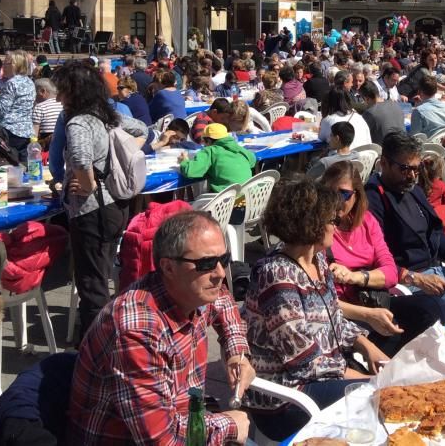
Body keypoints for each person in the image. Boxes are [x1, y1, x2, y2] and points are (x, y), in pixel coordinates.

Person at [67, 211, 252, 445]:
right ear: (168, 267)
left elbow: (224, 302)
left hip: (186, 420)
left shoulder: (193, 291)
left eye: (223, 260)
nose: (220, 273)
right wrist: (230, 424)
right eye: (206, 264)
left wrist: (236, 353)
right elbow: (162, 440)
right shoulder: (136, 331)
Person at [243, 178, 388, 442]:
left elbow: (334, 318)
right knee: (381, 400)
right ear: (311, 224)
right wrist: (361, 379)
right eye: (333, 220)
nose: (338, 224)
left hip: (323, 375)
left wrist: (364, 344)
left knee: (389, 394)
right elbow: (302, 362)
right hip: (284, 399)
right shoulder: (276, 276)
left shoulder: (318, 261)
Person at [51, 60, 148, 341]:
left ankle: (97, 346)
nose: (59, 98)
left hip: (91, 208)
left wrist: (87, 181)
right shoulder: (107, 115)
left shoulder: (79, 121)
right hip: (115, 204)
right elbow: (142, 129)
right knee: (102, 274)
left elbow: (81, 157)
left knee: (91, 281)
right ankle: (104, 335)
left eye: (62, 92)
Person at [320, 161, 445, 356]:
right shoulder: (320, 231)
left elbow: (390, 271)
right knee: (393, 330)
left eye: (343, 194)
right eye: (329, 194)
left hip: (372, 299)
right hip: (343, 312)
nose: (336, 200)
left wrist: (356, 277)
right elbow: (320, 300)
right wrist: (369, 314)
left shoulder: (366, 222)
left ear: (356, 195)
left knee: (433, 307)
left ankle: (430, 365)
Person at [365, 131, 445, 316]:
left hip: (436, 270)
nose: (412, 176)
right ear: (383, 163)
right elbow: (373, 258)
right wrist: (416, 278)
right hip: (409, 283)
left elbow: (436, 232)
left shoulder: (412, 191)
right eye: (405, 169)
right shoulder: (373, 199)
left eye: (417, 169)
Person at [0, 50, 36, 160]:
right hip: (26, 129)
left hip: (11, 129)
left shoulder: (12, 83)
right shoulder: (29, 81)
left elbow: (2, 109)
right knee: (25, 163)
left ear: (15, 65)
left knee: (11, 162)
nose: (3, 67)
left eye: (6, 63)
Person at [179, 122, 256, 191]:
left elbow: (190, 172)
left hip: (227, 200)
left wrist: (184, 161)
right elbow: (252, 161)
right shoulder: (238, 148)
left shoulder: (210, 150)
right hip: (249, 196)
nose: (204, 145)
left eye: (204, 141)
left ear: (208, 141)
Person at [31, 78, 63, 148]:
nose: (33, 96)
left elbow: (34, 133)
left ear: (42, 91)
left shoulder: (39, 107)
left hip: (47, 144)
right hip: (63, 142)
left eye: (34, 93)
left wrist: (33, 146)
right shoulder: (63, 104)